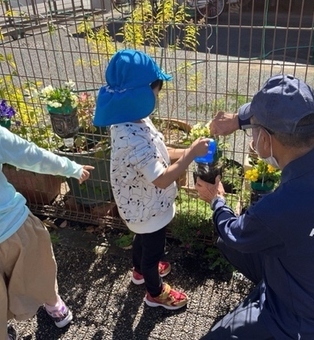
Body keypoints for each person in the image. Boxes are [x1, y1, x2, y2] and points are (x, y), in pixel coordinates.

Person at [195, 74, 314, 339]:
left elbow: (234, 232)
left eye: (253, 128)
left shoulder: (282, 207)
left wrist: (217, 200)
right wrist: (239, 120)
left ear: (264, 139)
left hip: (299, 318)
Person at [93, 49, 210, 310]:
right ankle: (155, 292)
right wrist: (191, 155)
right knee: (153, 250)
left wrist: (187, 151)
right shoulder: (132, 138)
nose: (157, 96)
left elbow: (158, 151)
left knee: (141, 239)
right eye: (156, 91)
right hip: (148, 206)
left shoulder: (132, 121)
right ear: (141, 94)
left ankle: (138, 270)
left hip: (138, 205)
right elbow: (160, 178)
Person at [0, 126, 93, 340]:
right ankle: (54, 305)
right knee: (39, 269)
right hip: (14, 225)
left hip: (13, 224)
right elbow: (30, 154)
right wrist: (72, 168)